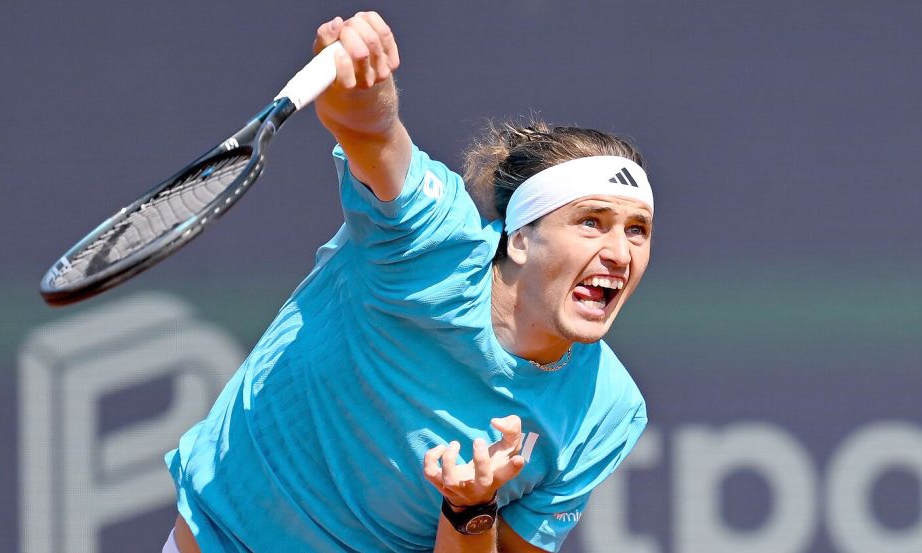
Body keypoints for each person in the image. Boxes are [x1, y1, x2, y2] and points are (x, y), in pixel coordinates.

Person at [164, 11, 653, 553]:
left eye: (638, 230)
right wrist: (363, 79)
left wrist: (471, 509)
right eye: (591, 222)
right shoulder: (428, 242)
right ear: (518, 238)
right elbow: (372, 132)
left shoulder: (608, 410)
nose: (619, 252)